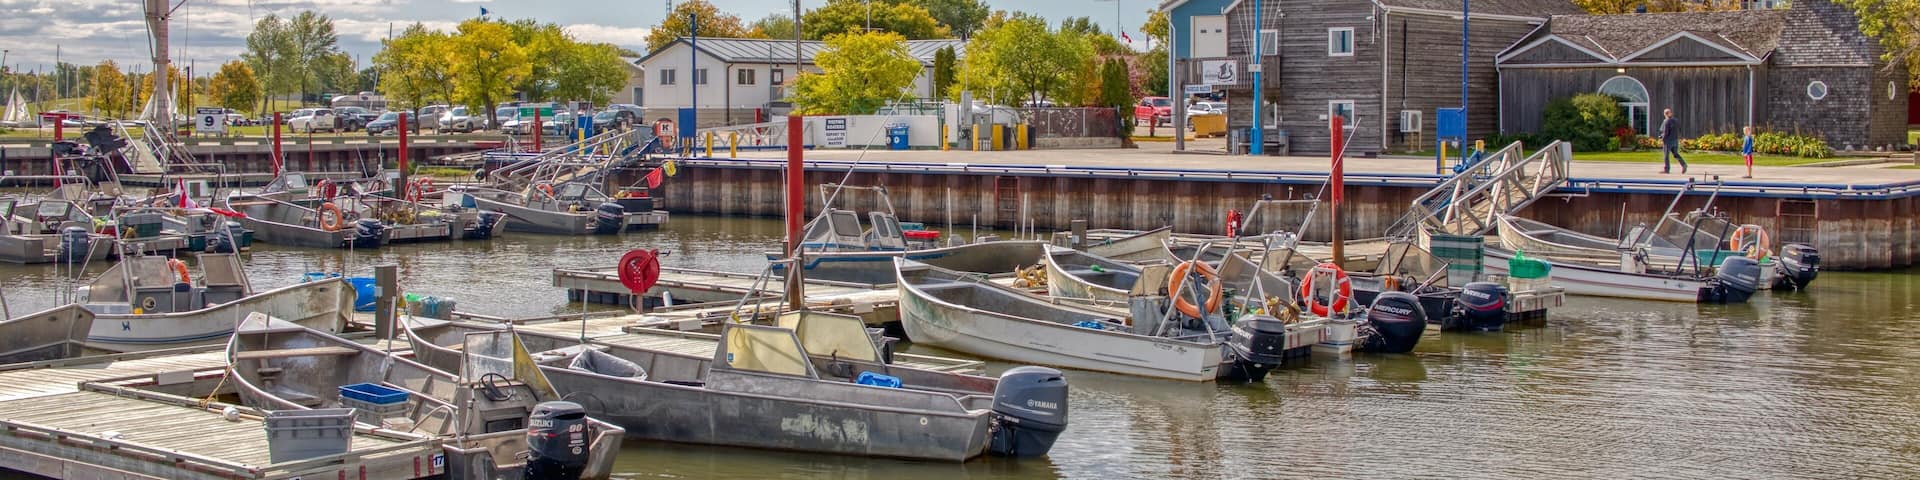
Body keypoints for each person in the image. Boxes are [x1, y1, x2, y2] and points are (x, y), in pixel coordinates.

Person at [1659, 109, 1687, 174]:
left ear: (1665, 114)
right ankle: (1683, 164)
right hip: (1675, 140)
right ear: (1671, 113)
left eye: (1666, 113)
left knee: (1666, 155)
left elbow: (1665, 132)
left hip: (1668, 141)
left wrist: (1662, 139)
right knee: (1676, 154)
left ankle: (1667, 169)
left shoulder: (1666, 121)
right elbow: (1678, 130)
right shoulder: (1676, 121)